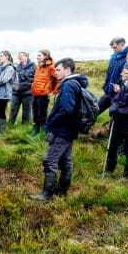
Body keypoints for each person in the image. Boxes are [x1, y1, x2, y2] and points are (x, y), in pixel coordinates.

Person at [33, 58, 88, 201]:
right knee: (65, 160)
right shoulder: (75, 83)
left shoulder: (69, 84)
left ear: (68, 70)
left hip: (62, 130)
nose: (55, 73)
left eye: (58, 70)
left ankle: (47, 195)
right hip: (70, 130)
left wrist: (51, 120)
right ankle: (61, 192)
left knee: (50, 160)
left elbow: (66, 109)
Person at [98, 37, 128, 114]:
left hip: (119, 94)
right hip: (108, 92)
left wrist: (121, 88)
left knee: (115, 116)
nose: (113, 50)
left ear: (122, 45)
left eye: (115, 47)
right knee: (94, 110)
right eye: (112, 48)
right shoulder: (113, 58)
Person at [30, 49, 58, 138]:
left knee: (42, 113)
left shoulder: (51, 67)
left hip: (44, 93)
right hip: (35, 92)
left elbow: (58, 80)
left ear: (46, 56)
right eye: (37, 55)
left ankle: (42, 133)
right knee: (35, 112)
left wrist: (53, 92)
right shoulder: (38, 66)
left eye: (39, 55)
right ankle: (35, 130)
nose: (37, 57)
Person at [0, 50, 16, 135]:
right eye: (0, 56)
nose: (0, 57)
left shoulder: (10, 68)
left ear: (7, 57)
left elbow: (3, 80)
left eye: (2, 56)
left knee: (1, 111)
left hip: (5, 93)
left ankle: (1, 132)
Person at [8, 51, 35, 126]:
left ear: (27, 56)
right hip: (16, 92)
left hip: (28, 92)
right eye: (19, 56)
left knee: (26, 110)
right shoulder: (16, 67)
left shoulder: (33, 66)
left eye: (21, 56)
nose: (20, 57)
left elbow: (35, 78)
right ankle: (10, 124)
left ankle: (24, 126)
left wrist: (30, 85)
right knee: (13, 108)